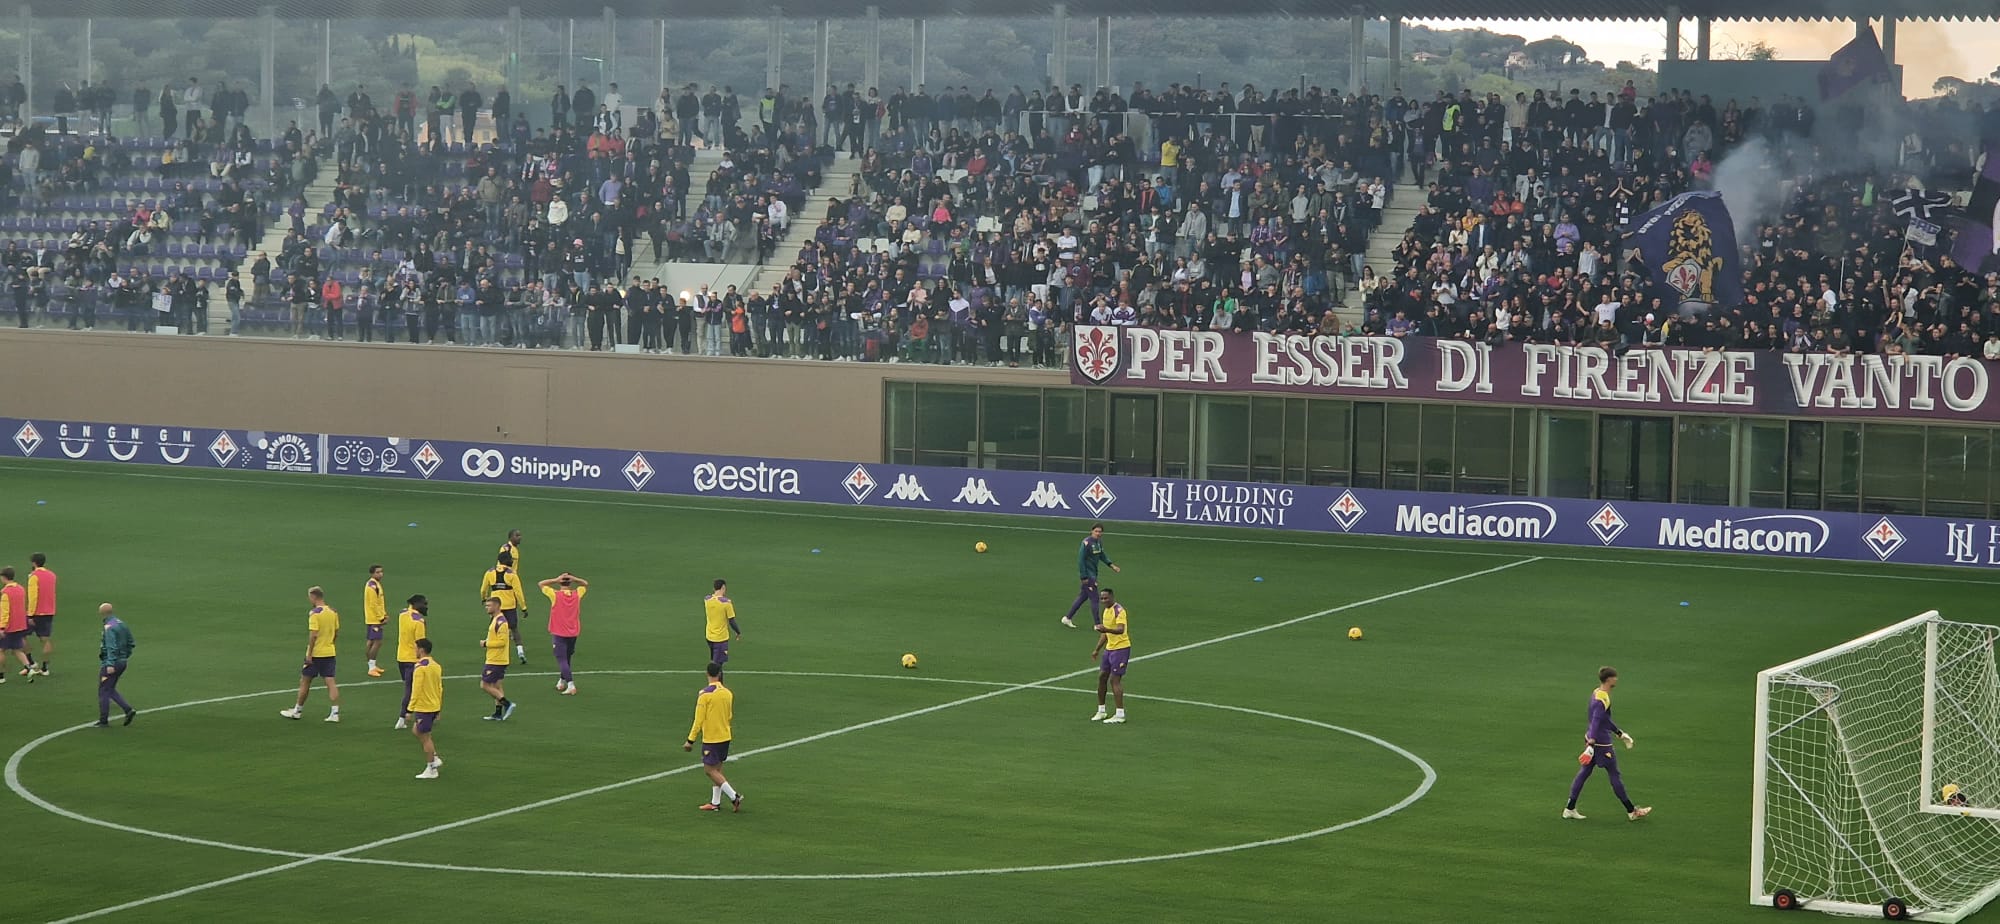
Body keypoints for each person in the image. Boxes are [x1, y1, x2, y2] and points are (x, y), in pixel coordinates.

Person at [1563, 666, 1652, 821]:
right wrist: (1592, 742)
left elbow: (1603, 719)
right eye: (1615, 677)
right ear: (1609, 679)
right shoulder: (1602, 699)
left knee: (1584, 773)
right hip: (1601, 744)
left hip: (1593, 740)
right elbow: (1597, 720)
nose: (1617, 679)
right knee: (1614, 776)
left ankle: (1569, 808)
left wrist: (1619, 733)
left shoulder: (1597, 693)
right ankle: (1632, 812)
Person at [684, 661, 742, 812]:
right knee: (717, 770)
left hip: (712, 738)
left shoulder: (705, 694)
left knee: (709, 770)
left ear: (707, 674)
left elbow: (699, 719)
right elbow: (729, 715)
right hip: (725, 736)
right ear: (720, 674)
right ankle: (715, 803)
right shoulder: (728, 693)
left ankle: (734, 796)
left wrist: (690, 740)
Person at [279, 587, 342, 722]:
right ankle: (335, 713)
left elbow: (313, 635)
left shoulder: (315, 613)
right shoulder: (333, 612)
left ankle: (297, 711)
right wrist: (330, 644)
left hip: (316, 654)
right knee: (331, 682)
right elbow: (336, 632)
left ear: (313, 597)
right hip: (329, 652)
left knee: (305, 681)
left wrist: (310, 654)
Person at [1061, 524, 1121, 629]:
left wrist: (1112, 565)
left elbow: (1102, 555)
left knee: (1082, 597)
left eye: (1100, 532)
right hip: (1088, 576)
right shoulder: (1086, 543)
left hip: (1093, 573)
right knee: (1095, 599)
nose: (1098, 533)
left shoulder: (1098, 543)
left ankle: (1067, 618)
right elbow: (1081, 560)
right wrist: (1084, 576)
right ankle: (1098, 624)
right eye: (1096, 531)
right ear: (1091, 531)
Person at [539, 572, 588, 695]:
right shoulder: (577, 594)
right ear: (570, 582)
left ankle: (571, 685)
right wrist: (575, 578)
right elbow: (585, 584)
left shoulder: (555, 595)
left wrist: (556, 579)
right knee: (567, 658)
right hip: (573, 632)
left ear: (561, 582)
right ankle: (561, 681)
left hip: (559, 633)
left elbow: (541, 584)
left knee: (562, 660)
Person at [1089, 588, 1131, 724]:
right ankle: (1101, 711)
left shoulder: (1119, 610)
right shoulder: (1106, 611)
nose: (1103, 601)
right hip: (1109, 649)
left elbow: (1120, 629)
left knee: (1114, 680)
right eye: (1101, 599)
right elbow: (1105, 634)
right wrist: (1096, 649)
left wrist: (1106, 629)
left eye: (1106, 598)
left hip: (1121, 648)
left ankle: (1120, 714)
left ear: (1112, 597)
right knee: (1102, 677)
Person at [481, 550, 528, 665]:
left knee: (493, 629)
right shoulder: (512, 574)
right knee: (514, 629)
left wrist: (484, 598)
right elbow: (518, 592)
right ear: (507, 560)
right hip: (509, 606)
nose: (512, 561)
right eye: (511, 559)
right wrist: (523, 607)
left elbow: (483, 589)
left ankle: (489, 650)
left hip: (496, 607)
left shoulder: (489, 572)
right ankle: (520, 652)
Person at [408, 638, 445, 779]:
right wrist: (439, 708)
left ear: (421, 650)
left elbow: (416, 689)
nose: (414, 650)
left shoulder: (420, 667)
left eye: (415, 648)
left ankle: (431, 768)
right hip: (434, 705)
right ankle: (434, 758)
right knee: (416, 730)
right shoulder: (436, 665)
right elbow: (440, 688)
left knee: (425, 737)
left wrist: (409, 709)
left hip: (424, 707)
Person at [96, 603, 137, 727]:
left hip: (111, 664)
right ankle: (128, 710)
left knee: (103, 690)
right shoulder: (120, 623)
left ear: (101, 613)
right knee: (109, 688)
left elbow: (111, 646)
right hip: (122, 662)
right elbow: (131, 642)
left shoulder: (109, 627)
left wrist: (110, 663)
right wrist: (124, 656)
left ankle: (103, 721)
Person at [393, 594, 430, 730]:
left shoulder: (402, 614)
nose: (426, 607)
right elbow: (420, 644)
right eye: (424, 604)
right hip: (413, 660)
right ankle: (402, 718)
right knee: (411, 689)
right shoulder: (419, 621)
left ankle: (420, 713)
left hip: (401, 657)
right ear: (417, 604)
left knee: (412, 687)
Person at [478, 596, 515, 721]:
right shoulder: (495, 619)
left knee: (485, 685)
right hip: (497, 658)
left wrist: (486, 644)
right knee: (497, 686)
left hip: (496, 660)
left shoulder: (501, 622)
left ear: (497, 606)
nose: (487, 608)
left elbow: (502, 642)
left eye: (489, 605)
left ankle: (507, 704)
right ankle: (498, 714)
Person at [24, 552, 55, 677]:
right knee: (45, 640)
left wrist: (30, 615)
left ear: (33, 563)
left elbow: (33, 597)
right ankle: (45, 668)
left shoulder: (34, 576)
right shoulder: (52, 575)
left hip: (36, 612)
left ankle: (31, 663)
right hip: (49, 611)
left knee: (21, 636)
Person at [0, 567, 30, 681]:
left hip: (9, 626)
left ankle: (1, 676)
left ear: (3, 577)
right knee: (17, 649)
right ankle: (29, 668)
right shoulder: (21, 589)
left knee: (1, 650)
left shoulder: (5, 593)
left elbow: (5, 611)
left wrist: (2, 628)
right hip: (20, 625)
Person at [703, 579, 741, 666]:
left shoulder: (707, 600)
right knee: (717, 666)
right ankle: (716, 679)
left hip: (709, 636)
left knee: (714, 661)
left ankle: (715, 678)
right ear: (723, 587)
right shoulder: (726, 603)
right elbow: (731, 621)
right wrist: (738, 632)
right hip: (720, 638)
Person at [363, 565, 388, 677]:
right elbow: (374, 604)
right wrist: (381, 617)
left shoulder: (375, 585)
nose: (380, 574)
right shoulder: (372, 587)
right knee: (377, 642)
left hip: (372, 618)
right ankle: (371, 667)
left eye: (381, 572)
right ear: (372, 574)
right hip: (375, 619)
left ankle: (372, 665)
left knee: (371, 642)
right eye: (378, 572)